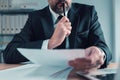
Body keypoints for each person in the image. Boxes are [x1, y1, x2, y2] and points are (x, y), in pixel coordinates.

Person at [3, 0, 112, 72]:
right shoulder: (35, 18)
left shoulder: (88, 13)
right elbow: (9, 53)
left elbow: (104, 49)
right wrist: (50, 43)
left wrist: (99, 53)